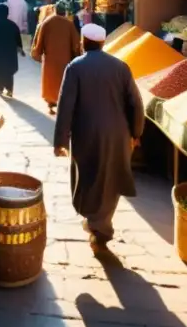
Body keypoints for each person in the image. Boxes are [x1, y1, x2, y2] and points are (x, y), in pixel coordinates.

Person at [54, 23, 143, 254]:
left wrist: (60, 141)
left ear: (83, 42)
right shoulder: (121, 67)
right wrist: (136, 133)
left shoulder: (75, 67)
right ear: (103, 43)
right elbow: (136, 103)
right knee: (110, 180)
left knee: (89, 177)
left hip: (87, 134)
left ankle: (98, 227)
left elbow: (65, 106)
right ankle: (100, 224)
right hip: (118, 135)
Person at [31, 0, 81, 116]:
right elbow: (75, 44)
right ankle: (65, 105)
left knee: (50, 82)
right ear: (65, 12)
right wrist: (77, 56)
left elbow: (39, 42)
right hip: (65, 59)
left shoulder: (46, 22)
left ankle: (50, 105)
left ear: (55, 10)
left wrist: (38, 53)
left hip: (50, 60)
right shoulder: (69, 24)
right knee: (65, 81)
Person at [0, 3, 24, 97]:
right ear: (7, 13)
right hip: (10, 52)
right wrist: (20, 49)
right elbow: (18, 39)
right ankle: (10, 89)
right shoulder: (13, 25)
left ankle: (0, 88)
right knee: (8, 70)